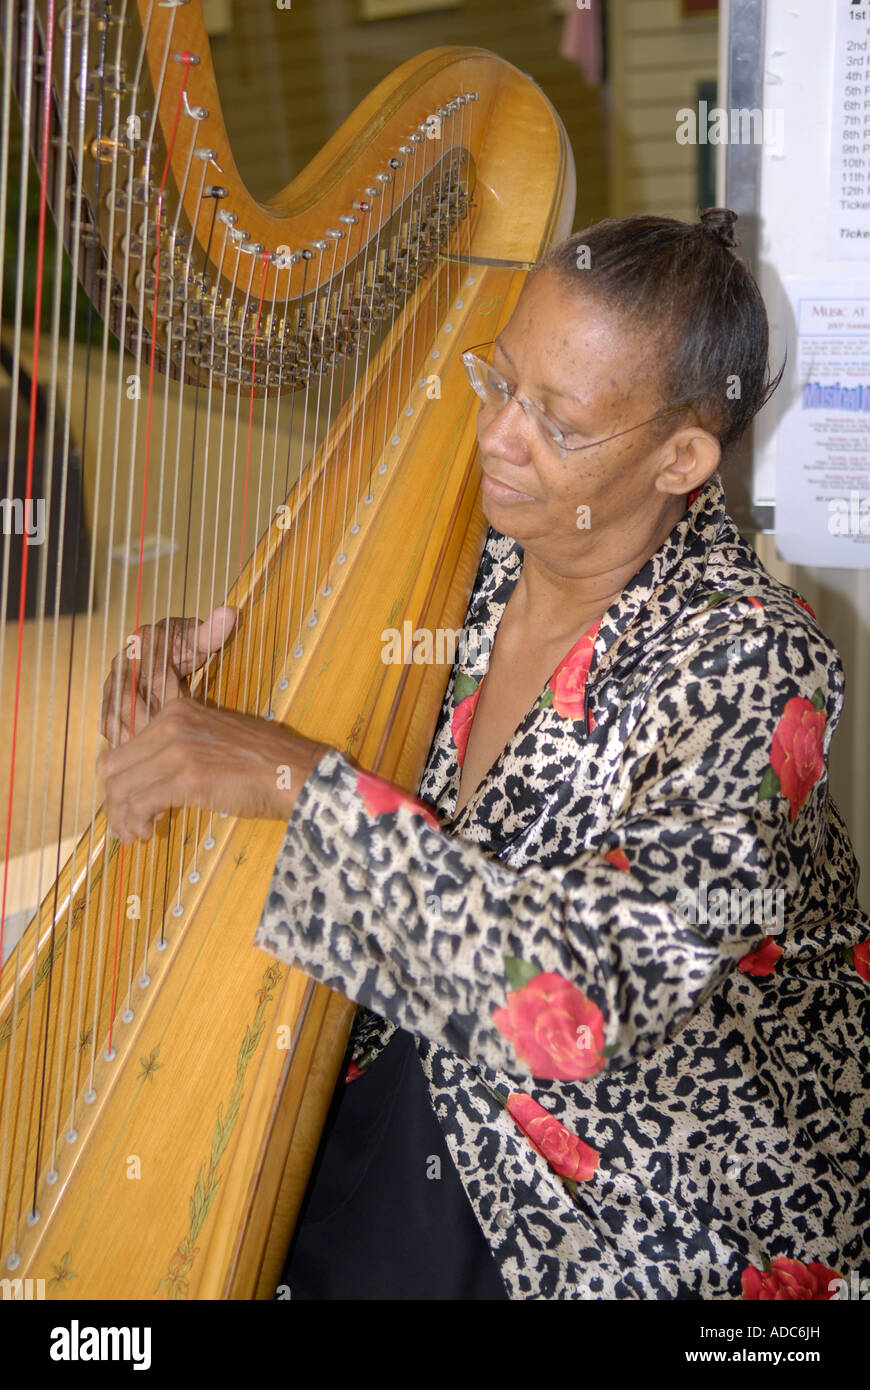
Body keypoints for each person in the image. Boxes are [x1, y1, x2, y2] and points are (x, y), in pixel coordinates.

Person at [100, 209, 870, 1301]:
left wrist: (291, 778)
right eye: (499, 381)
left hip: (643, 1198)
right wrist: (200, 683)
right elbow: (314, 740)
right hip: (427, 1088)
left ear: (681, 458)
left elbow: (575, 1007)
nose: (499, 437)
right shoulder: (465, 554)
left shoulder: (755, 657)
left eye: (558, 419)